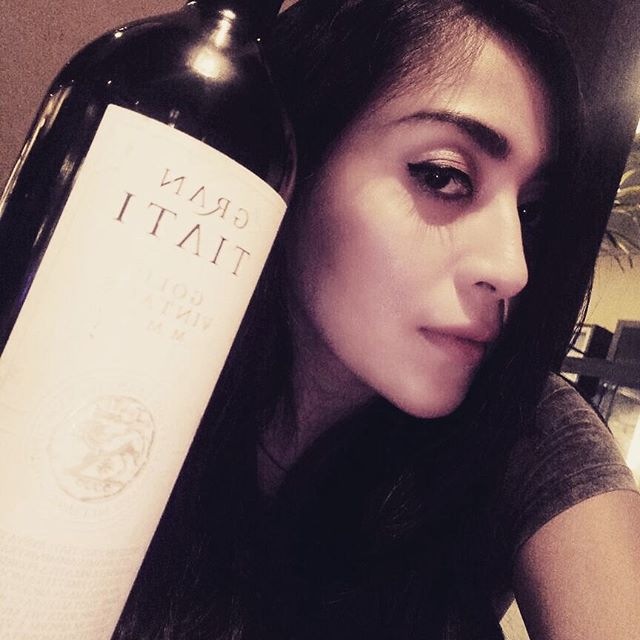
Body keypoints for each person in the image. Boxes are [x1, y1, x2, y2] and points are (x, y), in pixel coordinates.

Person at [114, 1, 640, 638]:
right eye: (443, 176)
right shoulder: (121, 355)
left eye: (528, 212)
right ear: (298, 159)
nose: (512, 268)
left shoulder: (525, 429)